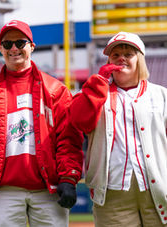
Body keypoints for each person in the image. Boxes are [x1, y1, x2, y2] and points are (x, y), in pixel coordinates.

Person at [0, 19, 84, 227]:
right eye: (8, 44)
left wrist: (69, 177)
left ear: (31, 46)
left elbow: (68, 139)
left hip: (48, 189)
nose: (14, 48)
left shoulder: (56, 90)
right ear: (0, 48)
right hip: (3, 191)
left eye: (20, 42)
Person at [68, 31, 167, 226]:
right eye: (115, 55)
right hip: (112, 192)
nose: (121, 58)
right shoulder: (95, 93)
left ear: (140, 59)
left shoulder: (161, 95)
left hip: (158, 187)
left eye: (128, 54)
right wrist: (98, 83)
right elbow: (78, 120)